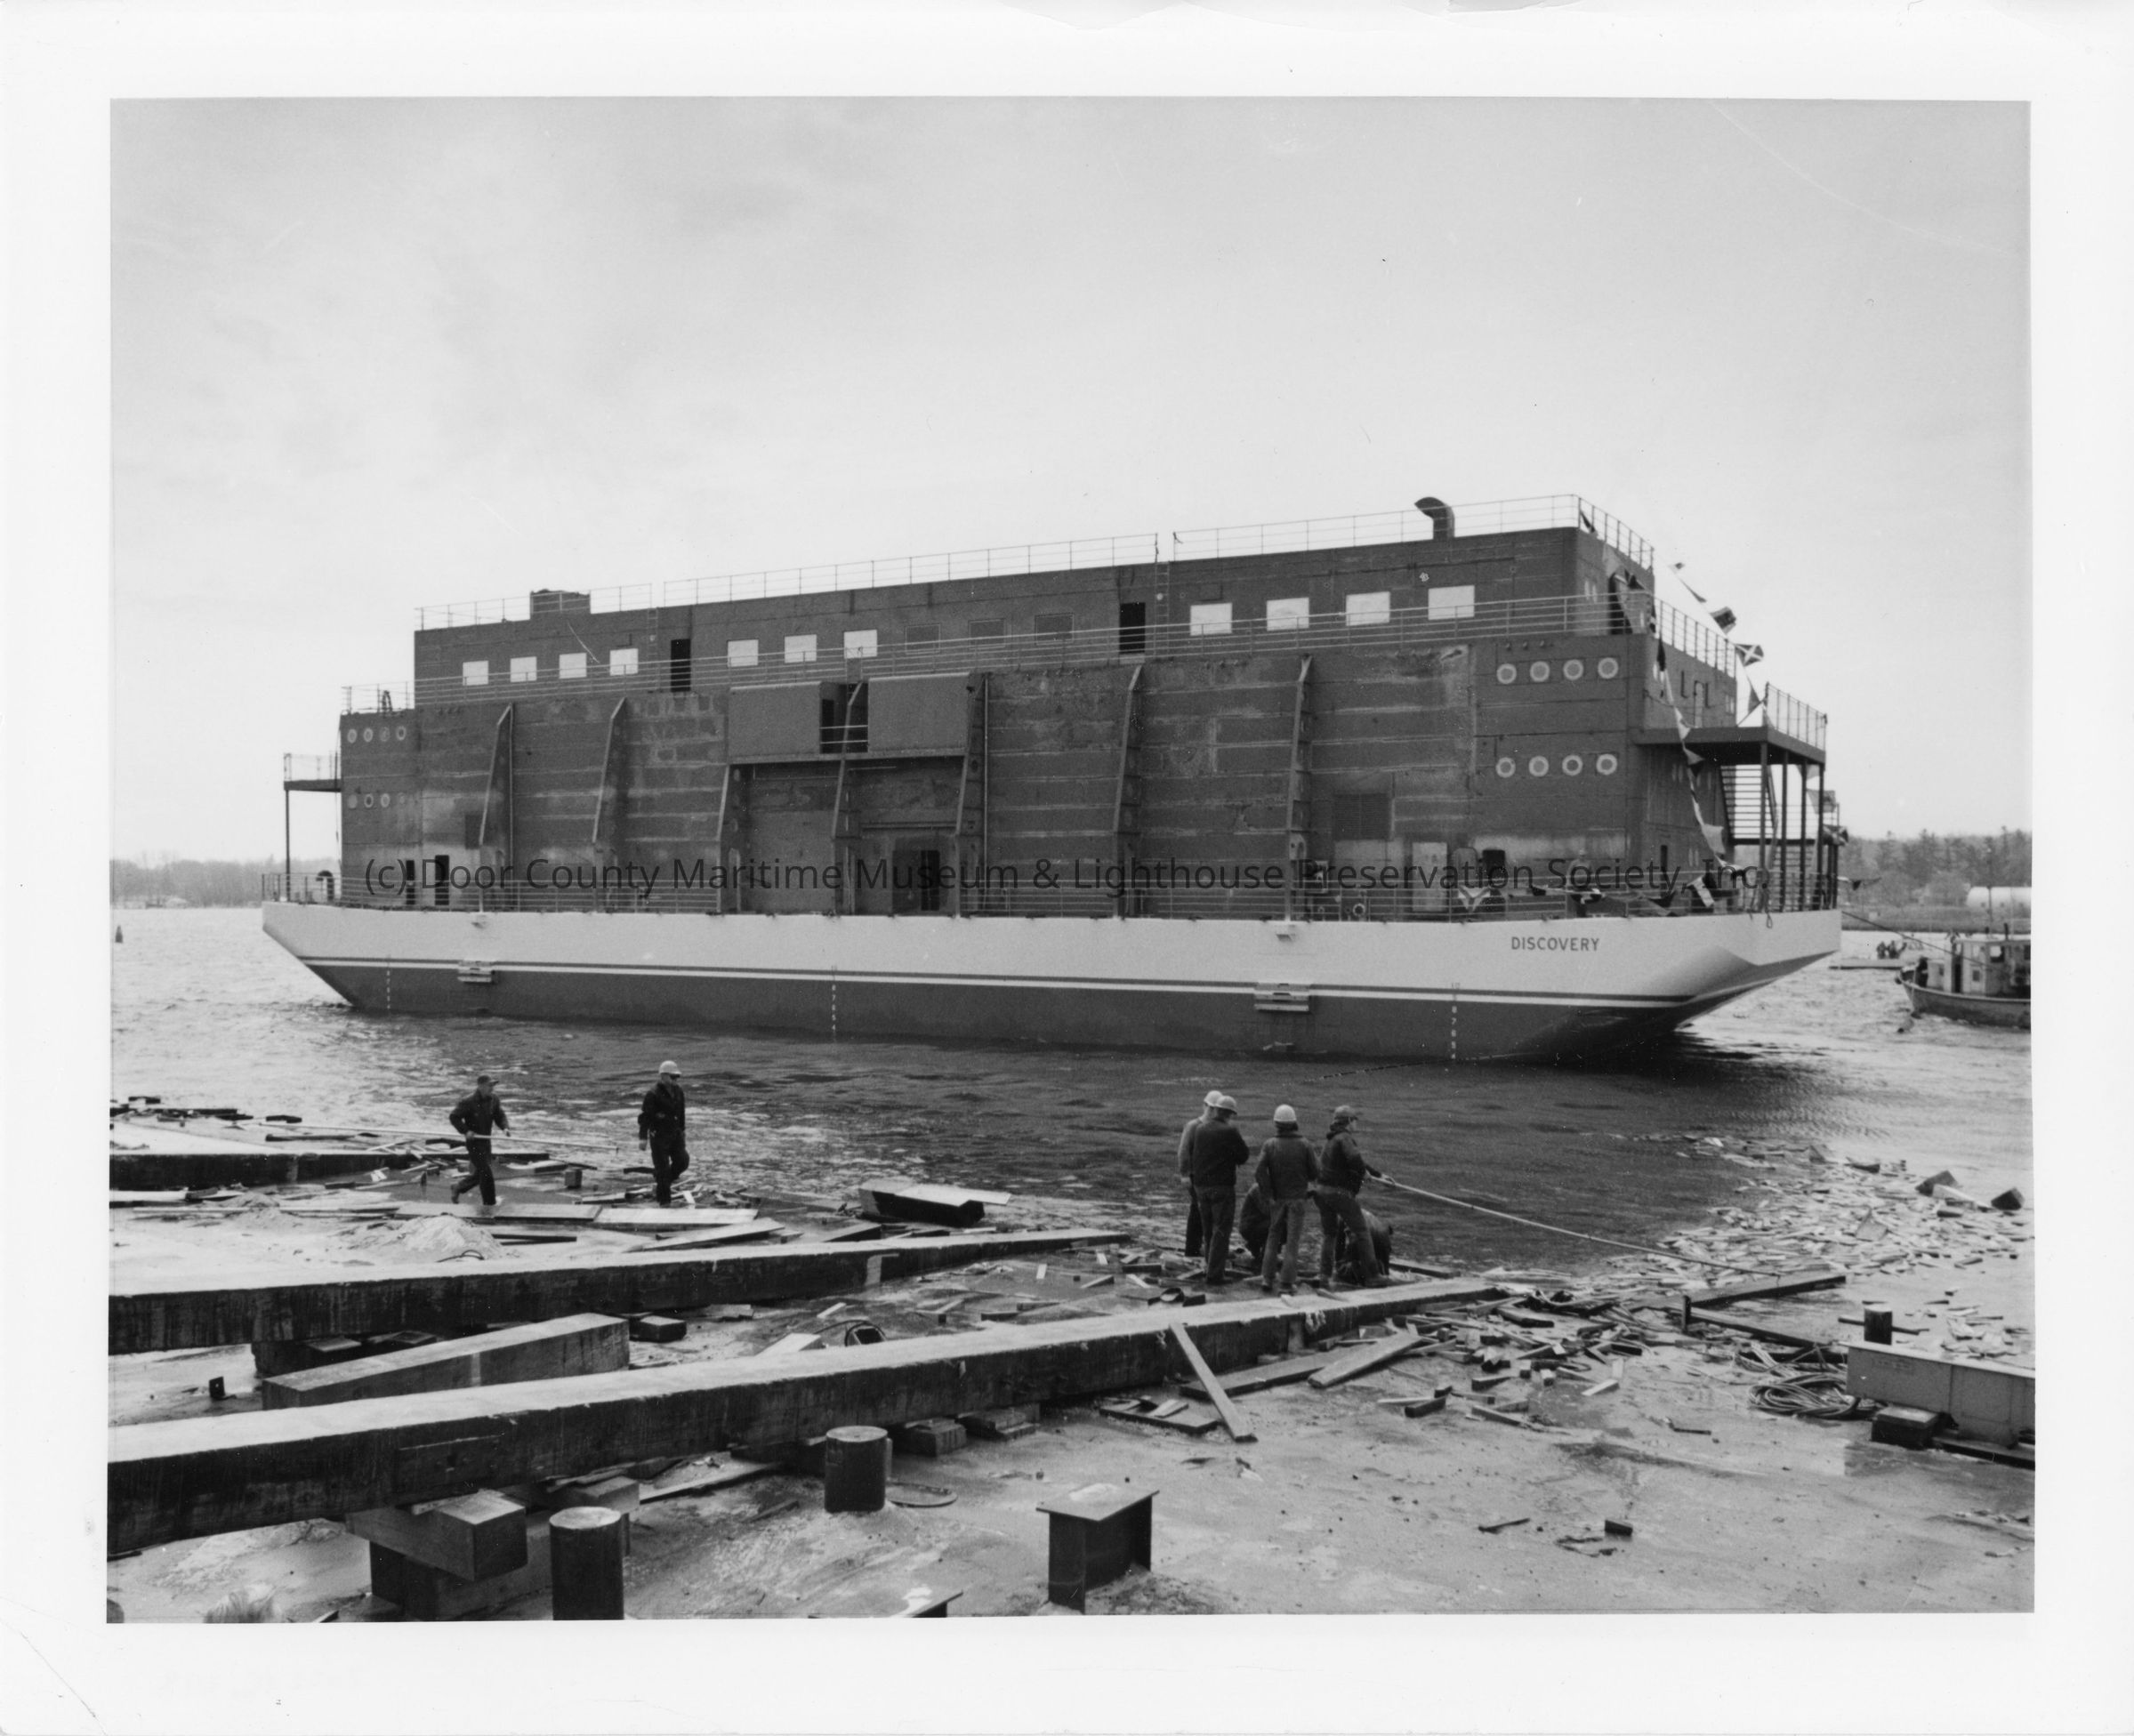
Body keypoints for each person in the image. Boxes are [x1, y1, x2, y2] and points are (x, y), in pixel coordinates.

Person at [1314, 1104, 1385, 1288]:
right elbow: (1354, 1160)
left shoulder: (1331, 1140)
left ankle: (1324, 1276)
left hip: (1321, 1192)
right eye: (1355, 1120)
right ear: (1348, 1121)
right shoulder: (1345, 1138)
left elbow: (1357, 1162)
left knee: (1329, 1234)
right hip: (1339, 1193)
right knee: (1362, 1231)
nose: (1356, 1124)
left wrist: (1378, 1175)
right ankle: (1373, 1277)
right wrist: (1364, 1174)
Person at [1185, 1095, 1251, 1285]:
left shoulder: (1200, 1129)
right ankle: (1215, 1275)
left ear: (1216, 1110)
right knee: (1221, 1230)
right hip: (1221, 1187)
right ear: (1229, 1113)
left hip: (1201, 1187)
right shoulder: (1230, 1131)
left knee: (1207, 1230)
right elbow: (1243, 1155)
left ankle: (1208, 1267)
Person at [1253, 1105, 1319, 1294]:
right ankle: (1286, 1283)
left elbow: (1259, 1172)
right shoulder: (1305, 1144)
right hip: (1297, 1199)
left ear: (1276, 1124)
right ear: (1294, 1123)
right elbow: (1315, 1172)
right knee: (1292, 1241)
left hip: (1277, 1200)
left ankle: (1267, 1279)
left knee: (1272, 1237)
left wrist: (1268, 1194)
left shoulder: (1269, 1144)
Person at [1176, 1089, 1224, 1258]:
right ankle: (1192, 1250)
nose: (1213, 1112)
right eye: (1210, 1108)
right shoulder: (1193, 1126)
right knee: (1197, 1211)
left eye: (1216, 1109)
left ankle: (1202, 1247)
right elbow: (1183, 1151)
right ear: (1204, 1106)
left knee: (1207, 1212)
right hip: (1195, 1176)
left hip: (1210, 1177)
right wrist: (1184, 1174)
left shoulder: (1218, 1128)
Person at [447, 1073, 508, 1206]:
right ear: (480, 1086)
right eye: (489, 1085)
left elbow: (499, 1115)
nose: (492, 1088)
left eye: (493, 1085)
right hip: (474, 1143)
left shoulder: (494, 1099)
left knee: (481, 1172)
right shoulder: (468, 1101)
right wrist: (466, 1131)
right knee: (486, 1173)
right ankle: (490, 1204)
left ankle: (458, 1186)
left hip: (486, 1142)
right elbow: (454, 1117)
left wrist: (505, 1128)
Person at [637, 1060, 690, 1206]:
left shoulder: (678, 1091)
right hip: (659, 1136)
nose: (676, 1080)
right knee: (663, 1169)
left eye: (677, 1077)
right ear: (663, 1076)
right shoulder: (653, 1094)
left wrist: (683, 1130)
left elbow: (681, 1113)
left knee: (683, 1161)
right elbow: (645, 1117)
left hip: (676, 1134)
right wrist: (643, 1138)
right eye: (673, 1077)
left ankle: (662, 1181)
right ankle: (664, 1203)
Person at [1333, 1209, 1396, 1287]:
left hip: (1362, 1236)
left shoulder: (1340, 1215)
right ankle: (1383, 1277)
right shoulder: (1362, 1211)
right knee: (1385, 1271)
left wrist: (1338, 1265)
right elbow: (1390, 1229)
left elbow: (1339, 1246)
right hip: (1384, 1236)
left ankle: (1362, 1279)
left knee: (1342, 1266)